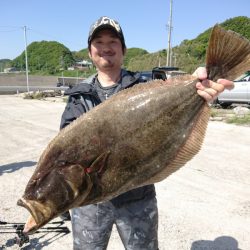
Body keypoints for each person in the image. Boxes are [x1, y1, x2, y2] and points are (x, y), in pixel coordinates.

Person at [59, 16, 233, 250]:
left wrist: (202, 83)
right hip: (90, 203)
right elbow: (67, 151)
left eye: (113, 41)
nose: (106, 47)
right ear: (90, 52)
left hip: (137, 198)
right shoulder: (78, 96)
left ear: (123, 49)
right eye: (98, 42)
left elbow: (179, 92)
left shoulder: (143, 86)